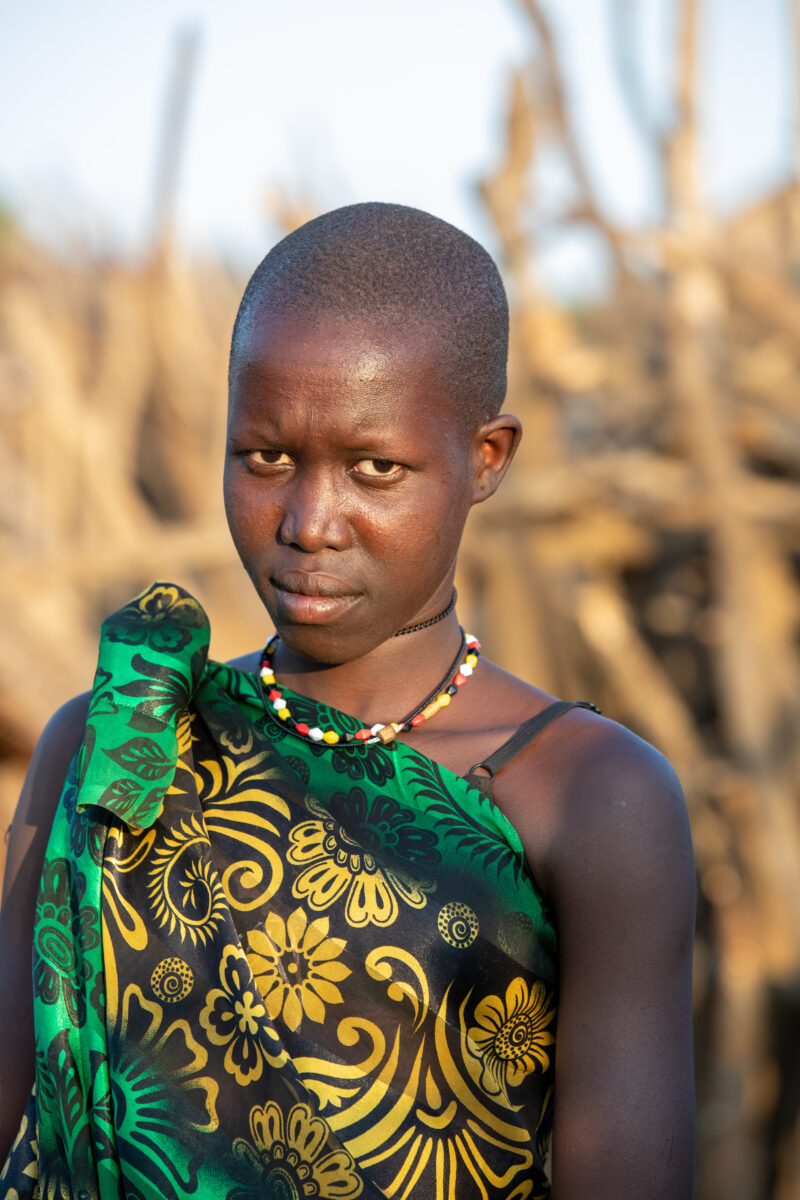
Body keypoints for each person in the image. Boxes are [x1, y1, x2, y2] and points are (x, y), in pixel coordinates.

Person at [0, 203, 696, 1200]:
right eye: (266, 457)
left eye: (376, 468)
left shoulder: (590, 795)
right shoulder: (118, 740)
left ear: (486, 459)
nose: (310, 522)